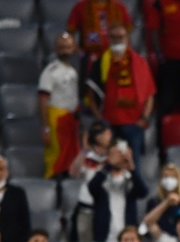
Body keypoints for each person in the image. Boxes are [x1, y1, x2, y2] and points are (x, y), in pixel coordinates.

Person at [87, 23, 155, 164]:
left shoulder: (140, 63)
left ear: (128, 39)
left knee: (133, 166)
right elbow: (91, 96)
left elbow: (150, 94)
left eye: (121, 37)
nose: (118, 40)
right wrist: (100, 119)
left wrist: (144, 118)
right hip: (109, 125)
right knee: (107, 165)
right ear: (108, 39)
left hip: (133, 124)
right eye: (114, 37)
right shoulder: (101, 63)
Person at [39, 33, 82, 179]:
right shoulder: (50, 71)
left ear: (74, 48)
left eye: (68, 47)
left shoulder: (74, 71)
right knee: (55, 160)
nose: (65, 50)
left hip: (71, 120)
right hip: (56, 120)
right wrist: (45, 128)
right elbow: (43, 99)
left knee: (70, 160)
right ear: (56, 49)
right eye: (62, 47)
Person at [67, 0, 132, 65]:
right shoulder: (81, 6)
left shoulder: (118, 6)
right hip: (90, 59)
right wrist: (80, 53)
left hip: (115, 56)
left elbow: (127, 34)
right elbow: (70, 33)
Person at [144, 163, 180, 237]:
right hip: (160, 240)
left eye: (172, 176)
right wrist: (166, 202)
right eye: (166, 176)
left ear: (179, 180)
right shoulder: (154, 202)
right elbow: (148, 223)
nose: (169, 179)